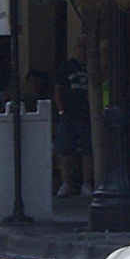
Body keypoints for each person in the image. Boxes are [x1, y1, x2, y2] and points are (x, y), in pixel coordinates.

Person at [54, 55, 90, 197]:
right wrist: (61, 111)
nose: (84, 50)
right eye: (81, 47)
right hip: (69, 115)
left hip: (88, 115)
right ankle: (66, 183)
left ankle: (86, 184)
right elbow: (58, 89)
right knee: (66, 150)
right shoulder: (66, 67)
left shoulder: (93, 66)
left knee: (88, 151)